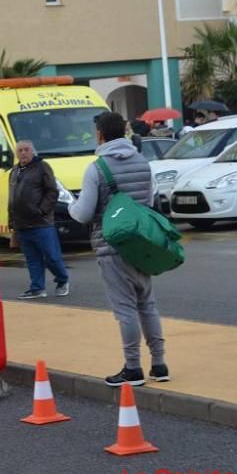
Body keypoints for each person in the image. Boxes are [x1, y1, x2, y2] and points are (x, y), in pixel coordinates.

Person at [68, 112, 169, 387]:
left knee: (125, 309)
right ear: (124, 131)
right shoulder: (142, 161)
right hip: (142, 242)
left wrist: (70, 204)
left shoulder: (97, 168)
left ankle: (133, 368)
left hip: (111, 245)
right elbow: (148, 200)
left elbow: (83, 214)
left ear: (100, 134)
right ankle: (159, 364)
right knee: (147, 303)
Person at [8, 140, 70, 299]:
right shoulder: (14, 171)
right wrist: (11, 222)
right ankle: (37, 288)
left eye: (26, 149)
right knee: (32, 259)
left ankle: (62, 280)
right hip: (21, 224)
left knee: (52, 256)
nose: (23, 153)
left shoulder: (42, 167)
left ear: (32, 151)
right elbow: (12, 198)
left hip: (41, 223)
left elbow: (52, 191)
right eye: (20, 150)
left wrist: (42, 210)